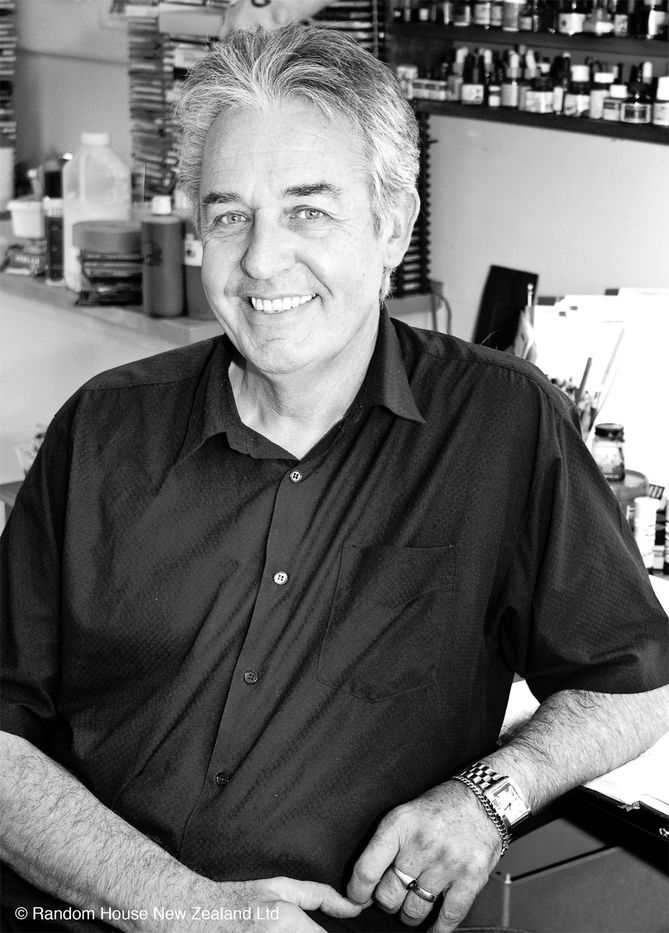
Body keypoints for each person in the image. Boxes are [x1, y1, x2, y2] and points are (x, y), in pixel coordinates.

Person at [1, 24, 668, 933]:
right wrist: (191, 912)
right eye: (229, 215)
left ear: (392, 224)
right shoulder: (103, 428)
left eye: (308, 211)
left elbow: (632, 681)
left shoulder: (502, 424)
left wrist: (487, 795)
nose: (261, 260)